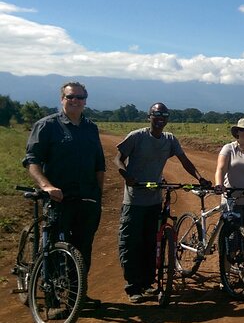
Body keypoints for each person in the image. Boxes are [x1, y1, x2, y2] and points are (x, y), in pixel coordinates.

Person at [115, 103, 210, 303]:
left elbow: (184, 161)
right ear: (149, 116)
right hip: (134, 200)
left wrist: (200, 178)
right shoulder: (137, 136)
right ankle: (133, 287)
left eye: (164, 115)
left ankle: (148, 283)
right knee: (131, 243)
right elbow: (118, 159)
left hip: (154, 199)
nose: (160, 118)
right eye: (156, 114)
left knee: (152, 243)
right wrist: (127, 176)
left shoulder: (169, 139)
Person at [23, 81, 105, 310]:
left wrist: (99, 194)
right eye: (71, 97)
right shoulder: (47, 126)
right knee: (55, 247)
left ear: (86, 100)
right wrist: (46, 185)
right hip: (58, 197)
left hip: (87, 198)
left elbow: (99, 163)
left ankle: (76, 294)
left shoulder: (91, 128)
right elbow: (32, 161)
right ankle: (51, 300)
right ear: (62, 99)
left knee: (83, 248)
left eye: (80, 97)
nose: (75, 101)